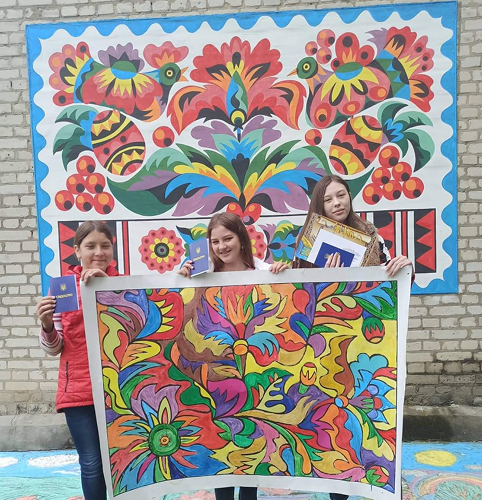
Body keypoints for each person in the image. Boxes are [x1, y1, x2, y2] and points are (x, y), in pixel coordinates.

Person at [294, 175, 413, 500]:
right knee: (326, 422)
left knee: (355, 420)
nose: (337, 203)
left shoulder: (372, 238)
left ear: (349, 197)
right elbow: (297, 293)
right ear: (319, 206)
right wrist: (324, 276)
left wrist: (404, 267)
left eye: (341, 195)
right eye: (328, 199)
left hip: (362, 347)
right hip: (323, 346)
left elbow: (390, 286)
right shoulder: (308, 244)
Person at [179, 212, 288, 500]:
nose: (221, 247)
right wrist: (182, 278)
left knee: (251, 446)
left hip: (253, 372)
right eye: (215, 241)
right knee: (222, 446)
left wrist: (281, 274)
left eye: (227, 239)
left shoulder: (263, 272)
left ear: (241, 239)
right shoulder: (203, 276)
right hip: (217, 374)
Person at [36, 221, 118, 500]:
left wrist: (107, 289)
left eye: (104, 245)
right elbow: (55, 347)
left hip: (119, 390)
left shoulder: (125, 285)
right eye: (90, 246)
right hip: (79, 392)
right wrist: (47, 324)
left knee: (123, 461)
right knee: (92, 463)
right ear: (76, 250)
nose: (98, 252)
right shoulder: (64, 289)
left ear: (112, 248)